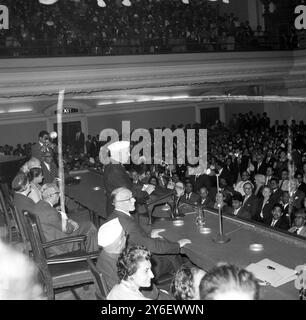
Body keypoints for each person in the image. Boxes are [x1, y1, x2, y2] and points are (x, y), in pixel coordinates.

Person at [107, 187, 191, 279]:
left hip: (125, 257)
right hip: (136, 266)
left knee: (164, 244)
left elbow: (135, 238)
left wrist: (149, 235)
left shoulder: (115, 216)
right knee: (172, 253)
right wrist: (177, 245)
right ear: (119, 203)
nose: (134, 200)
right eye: (129, 199)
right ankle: (184, 280)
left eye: (132, 197)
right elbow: (153, 247)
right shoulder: (128, 224)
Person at [96, 218, 171, 300]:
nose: (126, 236)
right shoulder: (120, 265)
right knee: (168, 259)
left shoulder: (105, 255)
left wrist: (149, 237)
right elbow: (151, 294)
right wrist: (160, 292)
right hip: (148, 294)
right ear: (119, 242)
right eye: (124, 234)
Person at [32, 183, 98, 255]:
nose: (60, 195)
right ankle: (92, 255)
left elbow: (54, 220)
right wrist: (73, 224)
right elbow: (68, 229)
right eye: (57, 193)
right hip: (59, 244)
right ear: (51, 196)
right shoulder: (50, 212)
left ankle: (90, 253)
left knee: (84, 223)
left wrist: (66, 219)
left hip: (51, 236)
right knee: (90, 226)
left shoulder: (38, 205)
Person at [102, 141, 155, 215]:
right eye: (127, 152)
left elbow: (126, 184)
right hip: (119, 211)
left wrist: (142, 186)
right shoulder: (115, 170)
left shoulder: (113, 165)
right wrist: (146, 192)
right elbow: (128, 193)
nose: (129, 154)